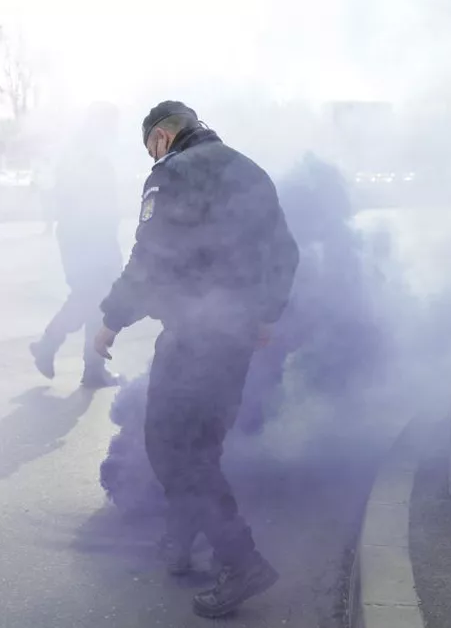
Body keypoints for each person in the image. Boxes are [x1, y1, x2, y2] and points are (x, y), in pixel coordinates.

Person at [93, 101, 299, 618]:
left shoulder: (173, 174)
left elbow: (150, 258)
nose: (151, 157)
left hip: (195, 335)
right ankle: (182, 538)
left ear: (162, 137)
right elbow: (285, 253)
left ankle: (241, 561)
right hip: (235, 337)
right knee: (201, 445)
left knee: (173, 449)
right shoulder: (251, 171)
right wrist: (266, 313)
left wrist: (112, 318)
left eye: (150, 148)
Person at [30, 104, 123, 389]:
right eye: (112, 125)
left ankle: (85, 365)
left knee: (91, 301)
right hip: (88, 239)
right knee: (90, 299)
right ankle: (54, 348)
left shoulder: (80, 154)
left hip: (81, 237)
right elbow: (98, 207)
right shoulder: (90, 158)